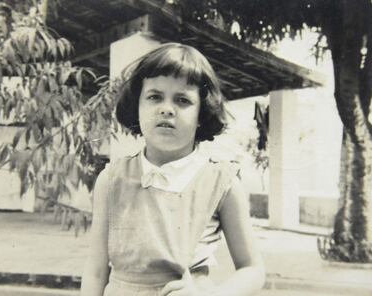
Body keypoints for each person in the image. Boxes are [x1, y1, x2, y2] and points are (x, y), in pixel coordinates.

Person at [80, 43, 265, 296]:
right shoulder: (110, 180)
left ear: (202, 113)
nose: (167, 108)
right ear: (137, 106)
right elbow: (95, 271)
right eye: (155, 97)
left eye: (182, 100)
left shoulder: (223, 183)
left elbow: (253, 270)